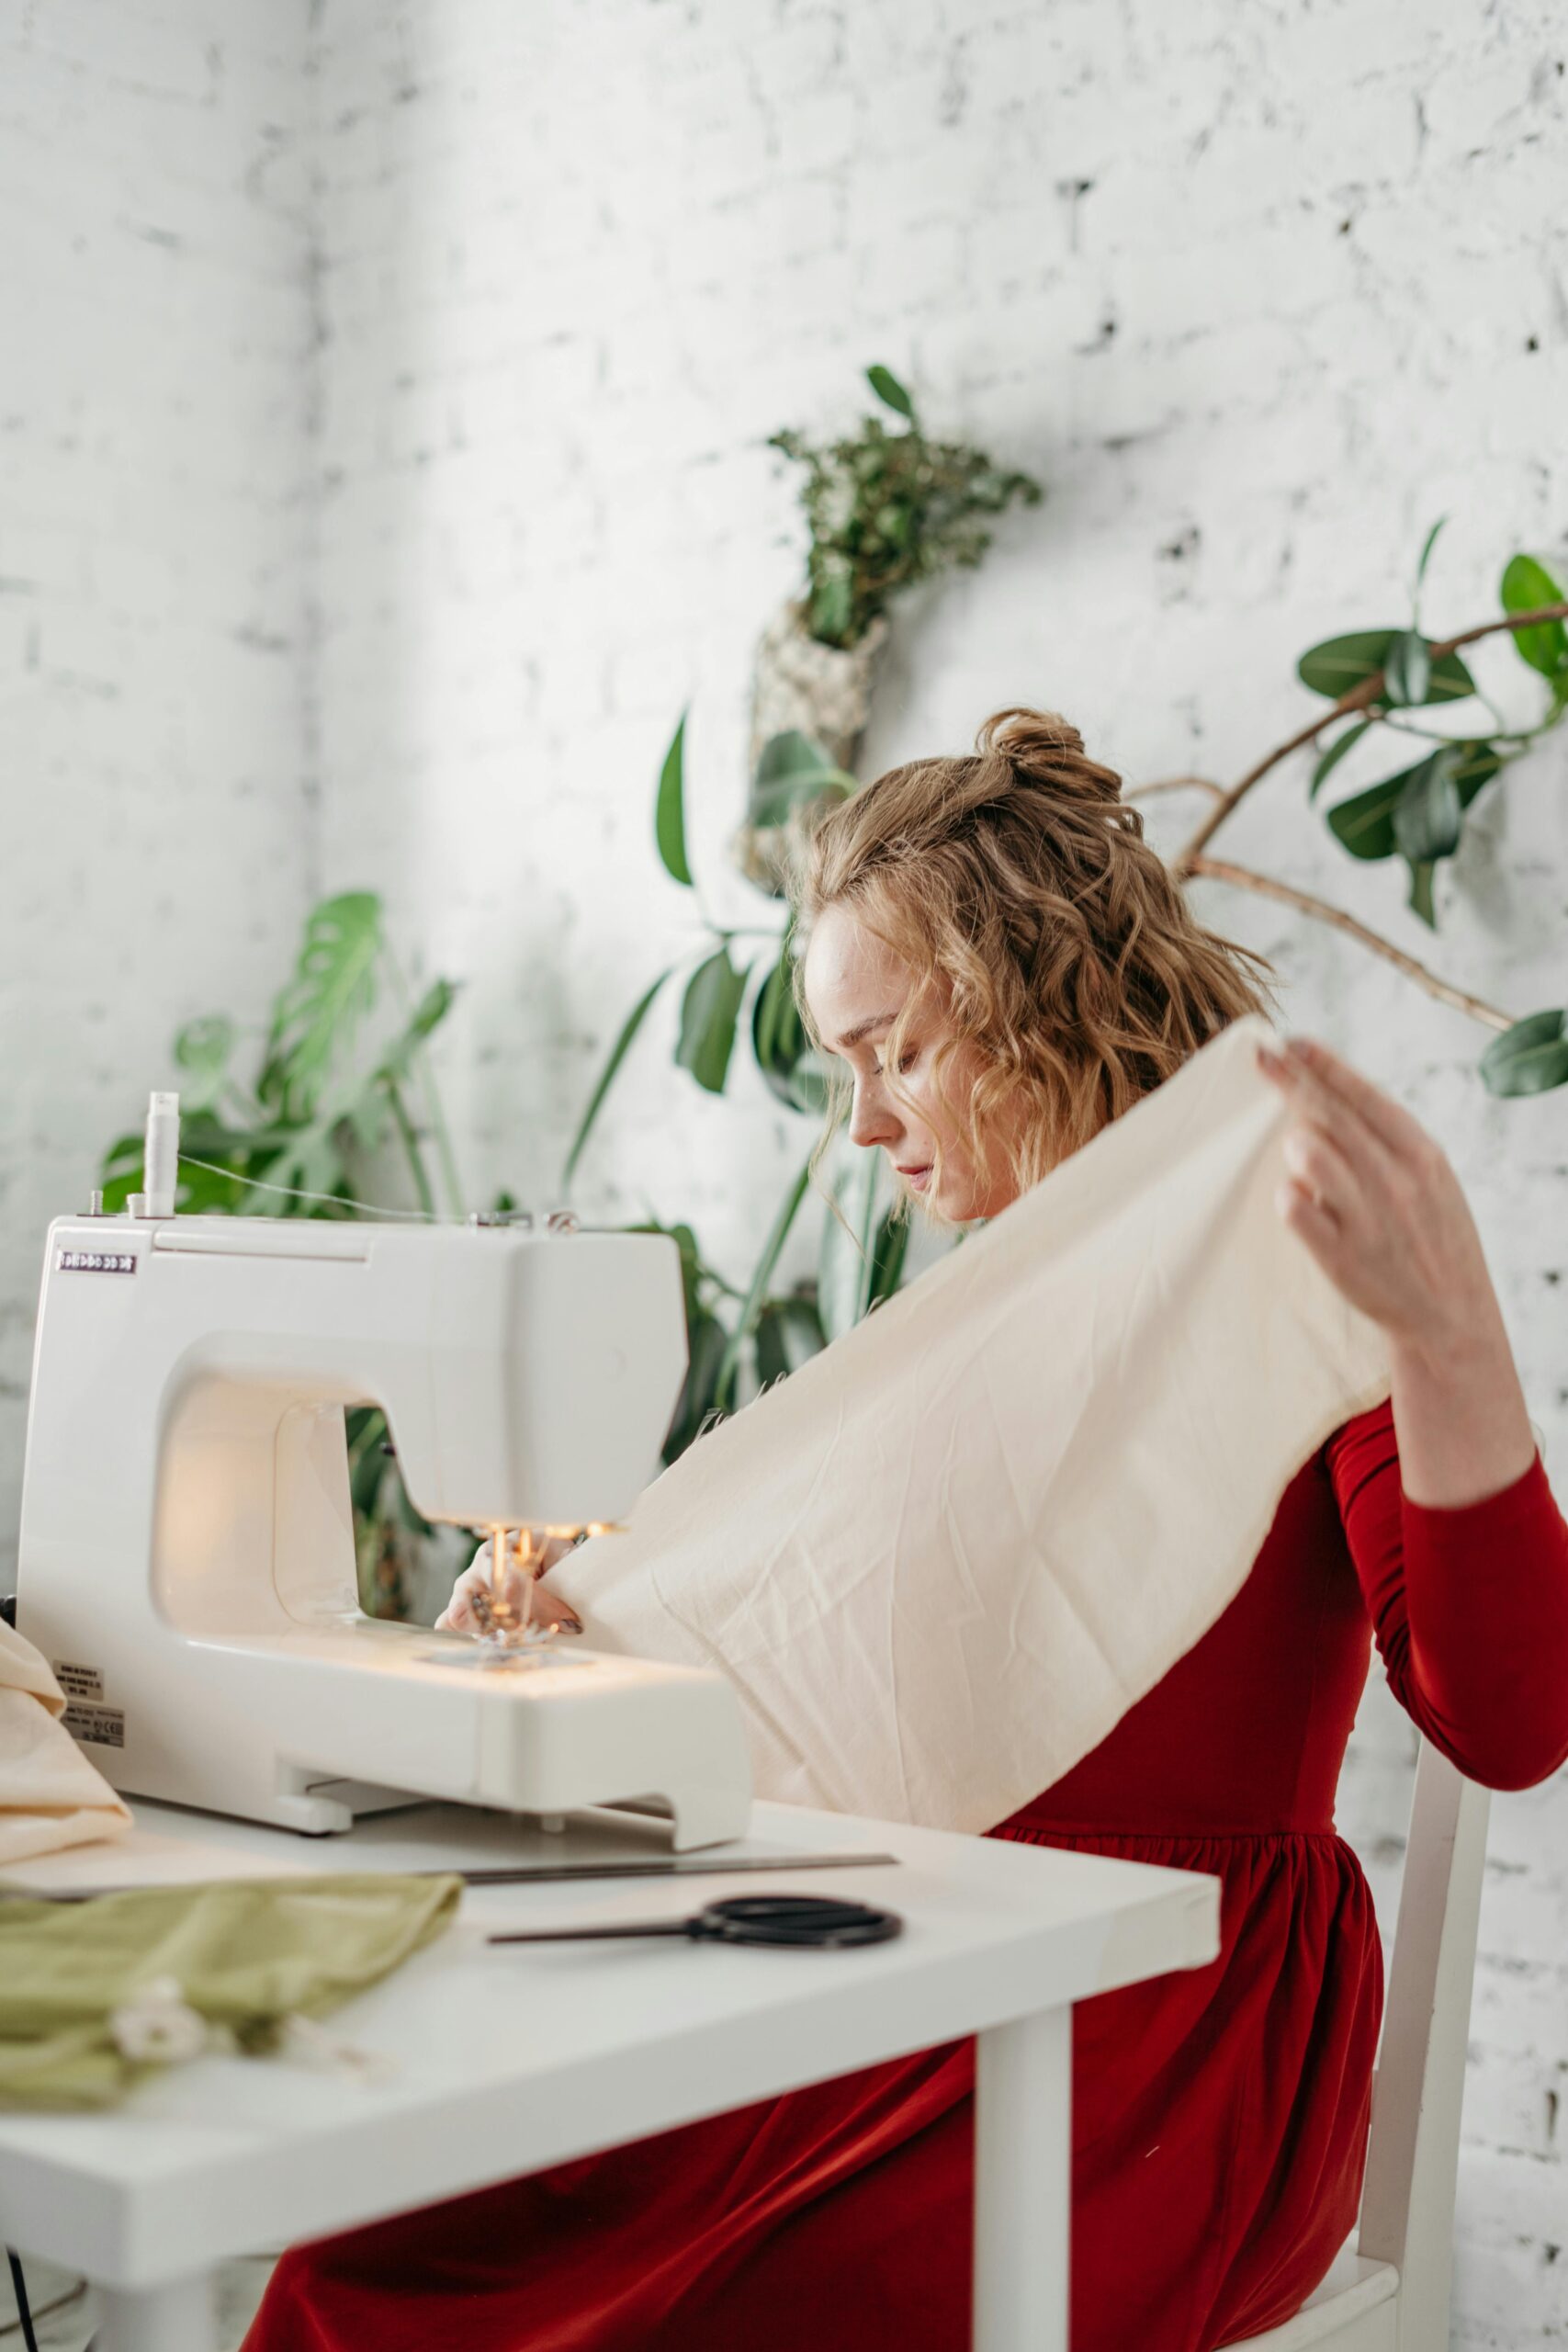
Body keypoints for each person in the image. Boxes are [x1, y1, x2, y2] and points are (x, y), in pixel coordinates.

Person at [245, 709, 1568, 2352]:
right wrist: (600, 1643)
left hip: (1148, 2029)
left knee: (712, 2309)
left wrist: (1447, 1343)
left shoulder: (1293, 1255)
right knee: (399, 2246)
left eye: (897, 1051)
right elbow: (826, 1666)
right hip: (921, 1953)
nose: (860, 1126)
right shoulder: (973, 1321)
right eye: (843, 1068)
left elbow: (1511, 1721)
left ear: (1037, 1002)